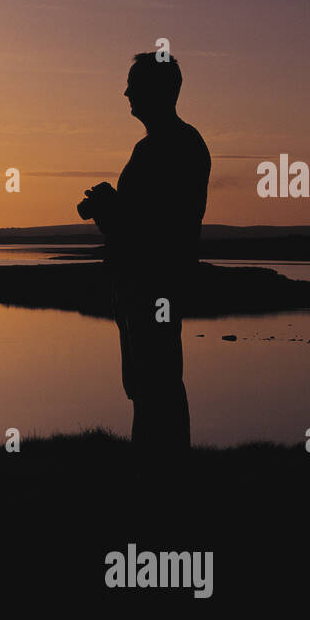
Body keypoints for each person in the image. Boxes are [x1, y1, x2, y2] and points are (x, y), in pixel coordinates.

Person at [77, 52, 210, 453]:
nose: (126, 92)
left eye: (134, 84)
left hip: (154, 283)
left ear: (158, 91)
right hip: (139, 282)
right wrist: (110, 209)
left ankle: (161, 477)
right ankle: (154, 472)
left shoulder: (174, 145)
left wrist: (109, 209)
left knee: (156, 380)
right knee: (144, 381)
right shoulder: (159, 145)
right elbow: (143, 220)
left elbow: (157, 228)